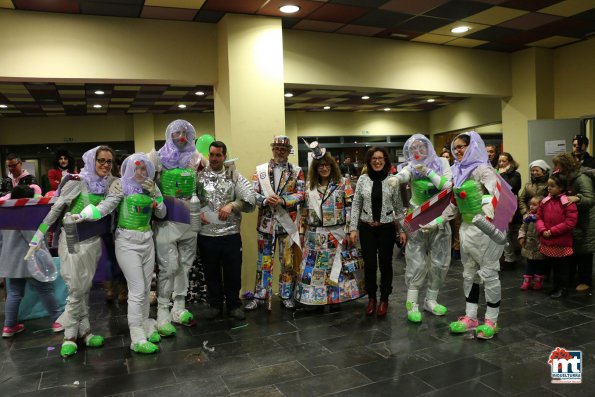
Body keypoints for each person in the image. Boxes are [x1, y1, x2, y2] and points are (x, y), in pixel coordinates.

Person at [26, 145, 119, 357]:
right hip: (71, 241)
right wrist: (36, 238)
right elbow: (55, 210)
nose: (105, 165)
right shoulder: (77, 182)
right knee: (76, 289)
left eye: (109, 161)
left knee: (84, 289)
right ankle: (69, 335)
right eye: (101, 160)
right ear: (91, 160)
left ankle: (85, 332)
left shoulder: (109, 184)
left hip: (93, 243)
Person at [74, 153, 167, 353]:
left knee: (144, 288)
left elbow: (161, 213)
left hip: (147, 240)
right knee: (137, 289)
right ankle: (137, 337)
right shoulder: (120, 186)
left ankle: (143, 325)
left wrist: (156, 196)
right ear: (129, 169)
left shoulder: (151, 186)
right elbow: (107, 206)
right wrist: (85, 214)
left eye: (144, 168)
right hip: (126, 242)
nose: (140, 172)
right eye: (137, 168)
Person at [437, 132, 511, 340]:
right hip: (467, 228)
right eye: (456, 147)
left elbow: (496, 194)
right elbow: (453, 202)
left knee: (489, 274)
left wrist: (487, 215)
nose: (458, 150)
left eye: (462, 146)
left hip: (486, 229)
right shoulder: (457, 170)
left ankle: (491, 320)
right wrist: (438, 220)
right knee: (469, 274)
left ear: (473, 147)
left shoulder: (483, 169)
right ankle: (470, 317)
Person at [148, 119, 205, 336]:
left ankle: (179, 306)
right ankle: (163, 312)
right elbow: (143, 182)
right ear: (169, 134)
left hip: (189, 218)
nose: (181, 137)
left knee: (185, 264)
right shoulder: (156, 157)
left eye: (185, 133)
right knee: (168, 266)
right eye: (176, 132)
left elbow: (207, 182)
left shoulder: (196, 158)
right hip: (166, 219)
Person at [295, 143, 365, 306]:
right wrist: (300, 233)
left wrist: (349, 230)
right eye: (320, 166)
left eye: (327, 165)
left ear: (332, 166)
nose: (324, 168)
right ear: (315, 168)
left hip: (337, 233)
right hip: (315, 235)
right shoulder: (309, 186)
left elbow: (350, 208)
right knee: (315, 270)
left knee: (338, 269)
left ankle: (337, 299)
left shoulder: (343, 183)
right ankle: (317, 299)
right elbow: (303, 212)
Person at [395, 134, 452, 323]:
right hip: (417, 219)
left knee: (439, 262)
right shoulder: (410, 166)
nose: (417, 152)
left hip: (439, 218)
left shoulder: (442, 162)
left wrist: (428, 171)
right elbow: (405, 175)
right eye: (413, 149)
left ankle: (431, 301)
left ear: (428, 147)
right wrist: (396, 178)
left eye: (421, 148)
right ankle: (412, 304)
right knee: (416, 262)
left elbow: (447, 187)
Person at [196, 141, 255, 320]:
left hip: (230, 235)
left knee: (233, 272)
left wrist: (232, 204)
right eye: (211, 155)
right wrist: (196, 213)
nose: (214, 159)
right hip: (206, 234)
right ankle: (214, 304)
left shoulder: (233, 176)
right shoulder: (198, 177)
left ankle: (234, 305)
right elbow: (189, 200)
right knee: (210, 272)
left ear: (224, 156)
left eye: (218, 155)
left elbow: (250, 199)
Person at [245, 136, 305, 311]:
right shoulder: (260, 171)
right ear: (272, 149)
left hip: (287, 225)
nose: (280, 151)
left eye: (283, 149)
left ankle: (286, 295)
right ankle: (260, 296)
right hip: (266, 224)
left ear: (288, 151)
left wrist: (284, 200)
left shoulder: (297, 171)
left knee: (287, 262)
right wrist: (264, 200)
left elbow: (301, 194)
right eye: (277, 148)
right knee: (263, 261)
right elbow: (252, 194)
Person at [349, 146, 406, 317]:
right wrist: (353, 228)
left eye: (381, 158)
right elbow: (356, 204)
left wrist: (403, 229)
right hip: (367, 229)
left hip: (387, 229)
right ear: (369, 161)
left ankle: (384, 299)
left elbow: (398, 207)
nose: (377, 161)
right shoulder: (362, 180)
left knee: (386, 265)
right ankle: (372, 298)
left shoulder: (392, 180)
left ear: (386, 161)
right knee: (370, 266)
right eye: (374, 158)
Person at [1, 185, 63, 338]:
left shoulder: (4, 214)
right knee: (45, 290)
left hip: (11, 262)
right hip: (30, 261)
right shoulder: (25, 214)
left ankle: (9, 326)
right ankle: (58, 320)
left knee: (14, 293)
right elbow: (33, 239)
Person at [552, 153, 595, 293]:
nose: (555, 167)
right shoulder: (567, 178)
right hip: (574, 220)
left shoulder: (582, 178)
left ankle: (585, 281)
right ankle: (574, 277)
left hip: (585, 221)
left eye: (557, 164)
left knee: (585, 251)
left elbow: (590, 199)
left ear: (564, 165)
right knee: (574, 249)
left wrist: (578, 198)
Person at [536, 173, 578, 298]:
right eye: (548, 186)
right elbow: (539, 217)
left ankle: (563, 289)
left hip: (561, 242)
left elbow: (570, 223)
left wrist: (552, 231)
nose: (549, 188)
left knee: (562, 268)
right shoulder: (545, 201)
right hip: (548, 239)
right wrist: (542, 229)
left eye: (552, 186)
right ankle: (555, 287)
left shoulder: (568, 203)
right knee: (553, 267)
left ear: (561, 187)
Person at [497, 152, 522, 266]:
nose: (501, 163)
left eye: (504, 161)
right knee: (500, 233)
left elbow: (511, 188)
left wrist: (503, 175)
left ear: (510, 162)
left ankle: (510, 259)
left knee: (508, 234)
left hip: (509, 206)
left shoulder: (515, 174)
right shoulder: (497, 172)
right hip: (498, 205)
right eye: (500, 161)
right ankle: (506, 257)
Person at [518, 196, 546, 290]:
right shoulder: (527, 217)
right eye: (530, 204)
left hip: (539, 245)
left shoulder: (544, 218)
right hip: (529, 245)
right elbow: (523, 228)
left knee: (540, 265)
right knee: (529, 264)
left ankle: (538, 282)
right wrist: (521, 237)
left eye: (534, 205)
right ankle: (527, 282)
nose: (531, 206)